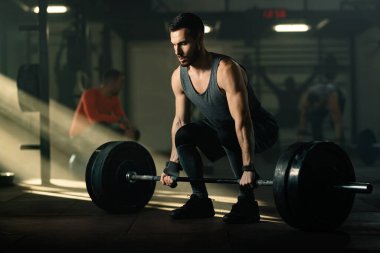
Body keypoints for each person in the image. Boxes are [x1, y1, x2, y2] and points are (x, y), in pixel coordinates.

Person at [160, 13, 279, 224]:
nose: (177, 51)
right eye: (174, 45)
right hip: (223, 128)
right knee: (184, 134)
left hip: (259, 127)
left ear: (200, 38)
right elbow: (180, 121)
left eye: (184, 43)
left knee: (227, 129)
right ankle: (200, 200)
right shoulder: (178, 76)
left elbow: (242, 121)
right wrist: (172, 163)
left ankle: (247, 203)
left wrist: (248, 168)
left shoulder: (226, 70)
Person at [69, 69, 140, 141]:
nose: (121, 86)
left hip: (94, 137)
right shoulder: (89, 94)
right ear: (111, 83)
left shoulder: (114, 99)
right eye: (120, 83)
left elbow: (121, 117)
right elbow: (93, 118)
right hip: (78, 137)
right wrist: (118, 120)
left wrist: (129, 128)